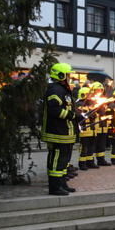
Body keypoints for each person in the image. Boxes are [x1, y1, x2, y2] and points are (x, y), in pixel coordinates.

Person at [42, 63, 78, 195]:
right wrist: (72, 115)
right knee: (57, 160)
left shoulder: (63, 90)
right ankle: (54, 187)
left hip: (65, 133)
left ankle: (62, 184)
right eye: (68, 75)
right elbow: (54, 110)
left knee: (64, 161)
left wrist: (75, 115)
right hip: (57, 133)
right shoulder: (55, 90)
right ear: (61, 75)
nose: (70, 77)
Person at [90, 82, 111, 167]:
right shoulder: (91, 100)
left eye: (100, 90)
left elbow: (106, 112)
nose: (99, 91)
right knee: (93, 145)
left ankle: (101, 160)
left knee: (102, 144)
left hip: (103, 125)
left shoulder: (103, 100)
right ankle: (90, 161)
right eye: (97, 90)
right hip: (95, 125)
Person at [75, 87, 95, 171]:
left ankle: (90, 162)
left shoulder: (91, 104)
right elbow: (79, 116)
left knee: (91, 147)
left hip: (91, 129)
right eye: (88, 95)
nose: (90, 96)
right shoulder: (79, 104)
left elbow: (94, 115)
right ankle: (82, 163)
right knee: (84, 147)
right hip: (84, 130)